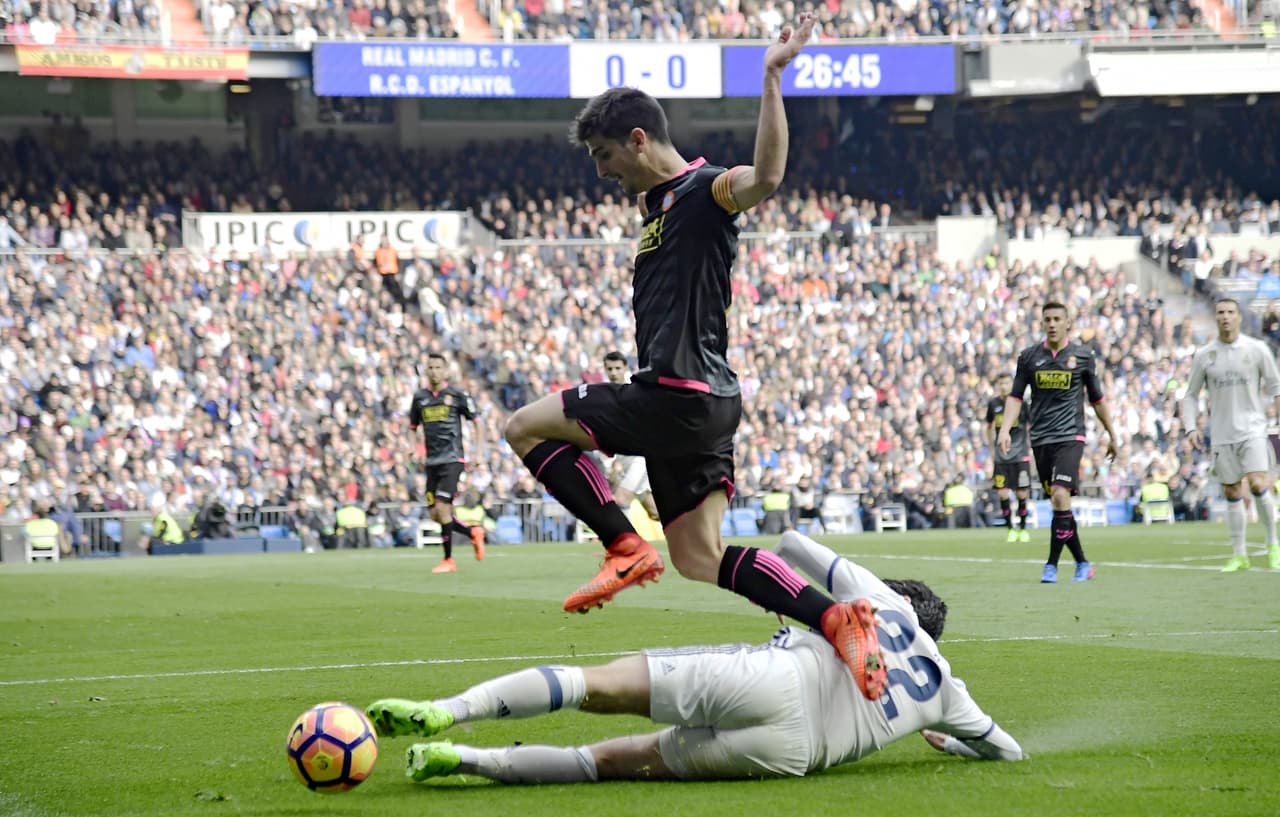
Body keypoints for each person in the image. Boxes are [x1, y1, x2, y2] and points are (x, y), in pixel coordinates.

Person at [500, 14, 887, 701]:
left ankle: (622, 544)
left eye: (604, 154)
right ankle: (837, 617)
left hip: (678, 396)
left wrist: (770, 76)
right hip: (700, 402)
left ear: (639, 139)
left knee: (523, 427)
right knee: (700, 558)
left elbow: (766, 175)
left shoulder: (705, 192)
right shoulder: (655, 210)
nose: (599, 170)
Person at [364, 531, 1023, 785]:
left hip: (779, 678)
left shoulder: (888, 604)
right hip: (795, 755)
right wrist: (950, 741)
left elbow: (795, 542)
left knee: (594, 685)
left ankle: (447, 712)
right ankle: (469, 762)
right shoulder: (948, 690)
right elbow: (1008, 750)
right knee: (611, 761)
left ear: (908, 599)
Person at [998, 302, 1120, 583]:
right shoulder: (1029, 357)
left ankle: (1051, 564)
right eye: (1047, 319)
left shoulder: (1083, 356)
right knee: (1059, 504)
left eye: (1057, 319)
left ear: (1068, 323)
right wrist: (1005, 430)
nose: (1052, 323)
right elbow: (1015, 397)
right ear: (1042, 323)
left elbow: (1097, 399)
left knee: (1060, 494)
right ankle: (1082, 563)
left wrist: (1112, 434)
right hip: (1040, 439)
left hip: (1070, 436)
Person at [1181, 297, 1280, 571]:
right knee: (1232, 490)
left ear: (1238, 317)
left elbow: (1275, 386)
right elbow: (1189, 396)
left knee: (1259, 483)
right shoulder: (1205, 355)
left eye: (1230, 312)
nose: (1225, 317)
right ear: (1216, 318)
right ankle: (1240, 555)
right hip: (1222, 434)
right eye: (1221, 313)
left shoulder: (1256, 349)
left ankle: (1274, 544)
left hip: (1253, 429)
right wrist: (1190, 427)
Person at [409, 352, 486, 574]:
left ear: (446, 371)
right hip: (431, 461)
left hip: (453, 459)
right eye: (430, 367)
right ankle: (473, 532)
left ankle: (449, 560)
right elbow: (413, 427)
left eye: (438, 367)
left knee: (443, 507)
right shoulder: (420, 397)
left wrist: (478, 453)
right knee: (435, 513)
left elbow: (477, 423)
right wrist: (414, 448)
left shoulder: (457, 395)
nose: (434, 371)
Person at [599, 351, 659, 523]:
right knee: (654, 511)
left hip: (640, 456)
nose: (614, 372)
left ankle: (627, 548)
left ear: (625, 367)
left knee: (621, 499)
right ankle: (691, 529)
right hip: (624, 457)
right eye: (609, 368)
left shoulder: (635, 389)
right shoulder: (604, 394)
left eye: (618, 368)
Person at [986, 372, 1032, 542]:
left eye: (1006, 383)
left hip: (1020, 455)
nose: (1004, 386)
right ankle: (1010, 529)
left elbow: (1030, 426)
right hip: (1001, 458)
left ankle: (1023, 528)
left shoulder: (1022, 404)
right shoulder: (993, 404)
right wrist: (992, 449)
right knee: (1003, 494)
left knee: (1021, 493)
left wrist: (1031, 448)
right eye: (1001, 383)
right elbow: (988, 427)